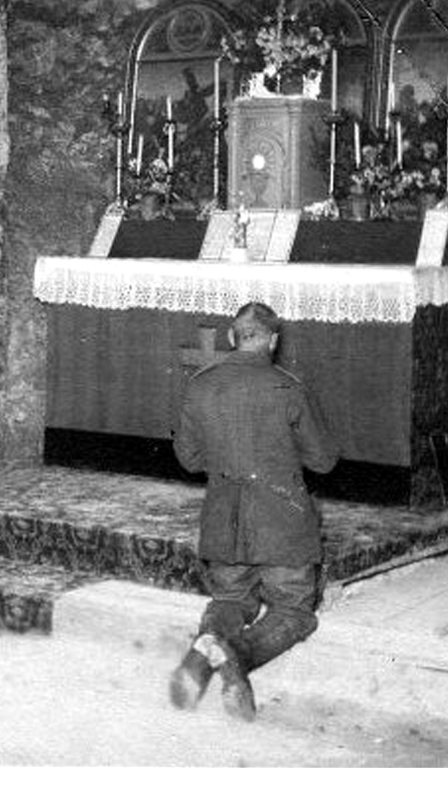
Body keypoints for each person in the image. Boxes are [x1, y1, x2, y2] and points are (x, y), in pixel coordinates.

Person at [166, 301, 340, 721]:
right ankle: (238, 655)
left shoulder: (200, 385)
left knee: (230, 600)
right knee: (294, 611)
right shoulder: (288, 387)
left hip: (223, 518)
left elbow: (188, 458)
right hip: (282, 522)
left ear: (232, 337)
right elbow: (323, 461)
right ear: (273, 340)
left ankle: (200, 658)